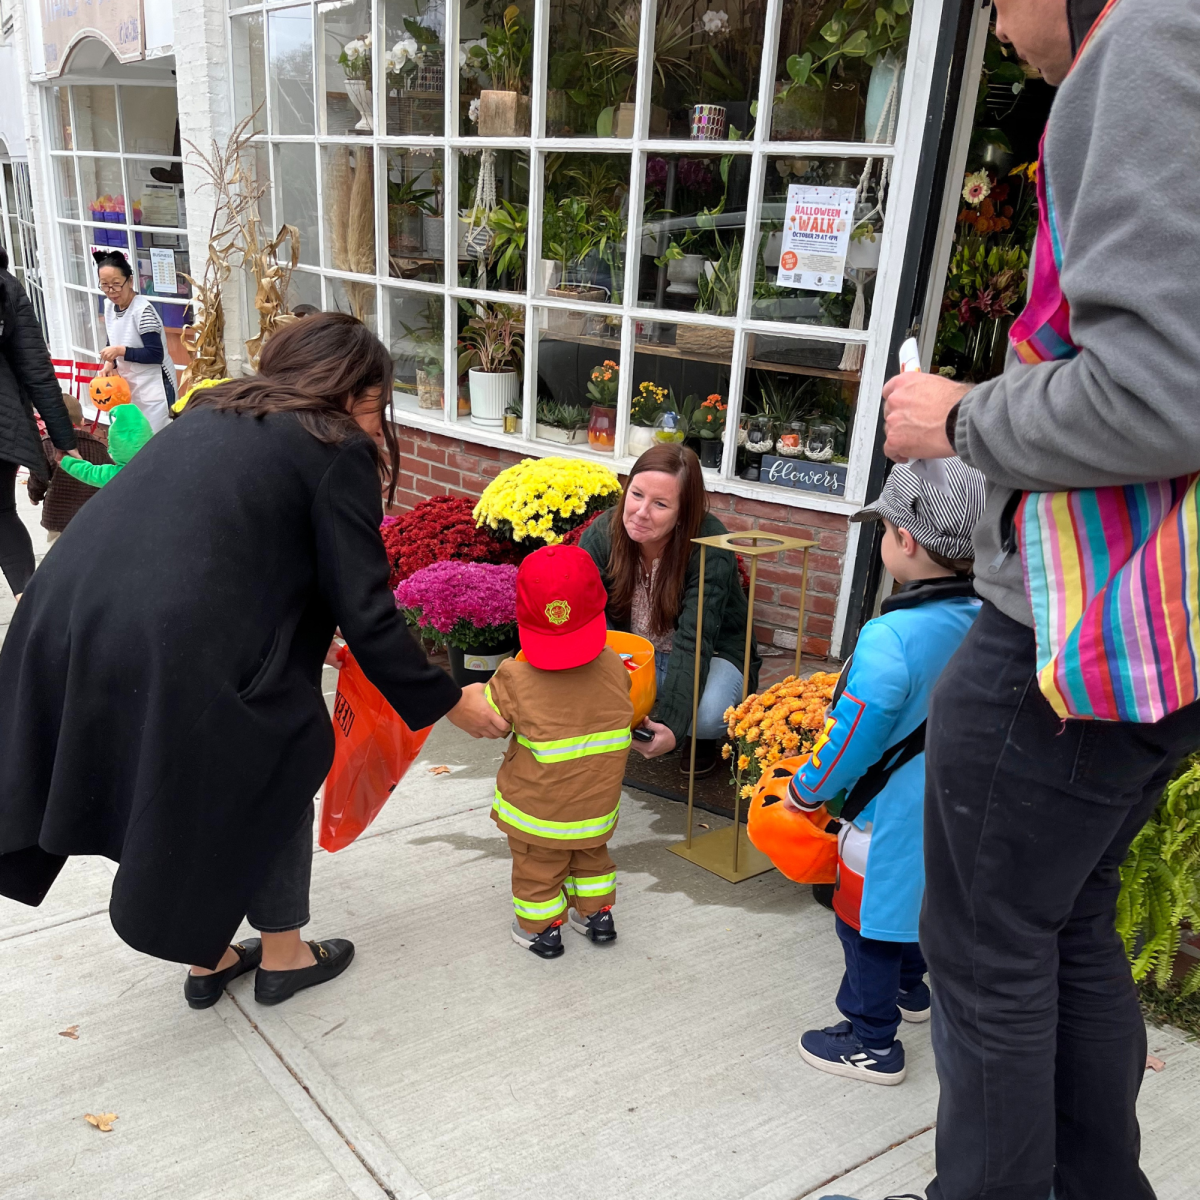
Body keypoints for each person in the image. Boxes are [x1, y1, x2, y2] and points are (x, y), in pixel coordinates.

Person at [858, 1, 1200, 1198]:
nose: (994, 26)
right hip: (1155, 635)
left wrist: (955, 419)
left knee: (988, 947)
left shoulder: (1146, 45)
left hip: (1075, 630)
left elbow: (1161, 395)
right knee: (1064, 926)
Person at [0, 313, 508, 1010]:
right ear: (357, 392)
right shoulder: (334, 447)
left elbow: (223, 540)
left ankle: (207, 956)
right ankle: (283, 956)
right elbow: (369, 613)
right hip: (165, 636)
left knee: (176, 772)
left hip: (64, 617)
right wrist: (452, 700)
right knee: (280, 756)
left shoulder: (215, 408)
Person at [787, 462, 984, 1087]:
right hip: (956, 810)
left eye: (885, 527)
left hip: (887, 816)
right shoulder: (989, 618)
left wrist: (806, 790)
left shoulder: (890, 635)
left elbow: (853, 731)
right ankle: (911, 988)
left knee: (862, 921)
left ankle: (873, 1042)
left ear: (908, 541)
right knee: (921, 907)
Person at [485, 545, 634, 959]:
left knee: (538, 869)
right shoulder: (612, 666)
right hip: (595, 806)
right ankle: (596, 916)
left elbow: (493, 722)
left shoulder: (513, 676)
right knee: (591, 858)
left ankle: (541, 930)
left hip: (538, 811)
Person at [579, 443, 758, 776]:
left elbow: (695, 639)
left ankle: (699, 736)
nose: (641, 512)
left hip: (711, 654)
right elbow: (589, 620)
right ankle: (648, 714)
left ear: (683, 513)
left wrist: (674, 728)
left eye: (660, 504)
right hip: (636, 654)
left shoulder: (710, 545)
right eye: (636, 494)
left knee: (707, 715)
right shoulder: (604, 534)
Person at [0, 244, 79, 597]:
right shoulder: (6, 286)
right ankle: (29, 608)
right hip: (4, 429)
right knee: (2, 514)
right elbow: (37, 372)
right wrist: (66, 442)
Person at [93, 250, 172, 433]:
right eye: (105, 285)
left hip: (154, 385)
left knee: (154, 437)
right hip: (130, 384)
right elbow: (112, 339)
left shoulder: (143, 312)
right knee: (133, 437)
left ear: (130, 281)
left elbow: (155, 354)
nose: (111, 291)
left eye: (116, 284)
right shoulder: (110, 307)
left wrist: (120, 351)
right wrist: (109, 362)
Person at [27, 391, 112, 540]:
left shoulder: (46, 445)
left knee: (58, 555)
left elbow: (38, 476)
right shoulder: (99, 446)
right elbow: (109, 477)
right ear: (82, 421)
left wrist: (35, 495)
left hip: (59, 516)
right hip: (92, 514)